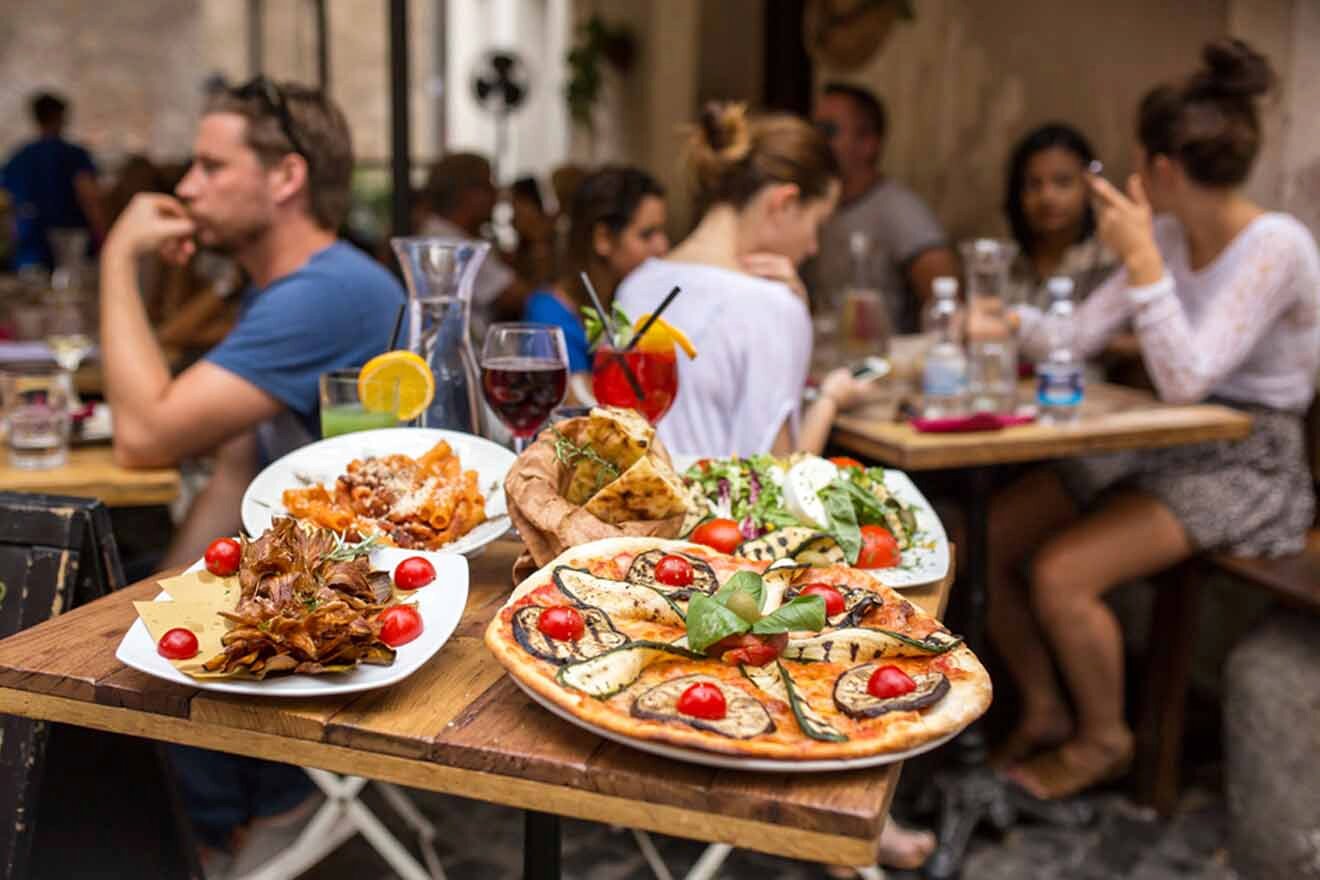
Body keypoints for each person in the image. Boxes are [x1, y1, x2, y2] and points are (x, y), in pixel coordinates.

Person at [983, 39, 1319, 800]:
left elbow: (1185, 375)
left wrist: (1139, 261)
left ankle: (1105, 740)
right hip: (1166, 441)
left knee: (1060, 575)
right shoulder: (1165, 235)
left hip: (1250, 459)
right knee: (988, 537)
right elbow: (1073, 338)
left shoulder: (1278, 247)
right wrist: (1002, 319)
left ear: (1162, 168)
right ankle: (1043, 704)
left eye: (1138, 158)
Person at [97, 75, 406, 870]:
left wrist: (115, 255)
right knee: (109, 607)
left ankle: (257, 805)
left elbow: (143, 436)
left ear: (287, 177)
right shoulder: (294, 289)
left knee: (79, 614)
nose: (185, 187)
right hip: (307, 570)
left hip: (356, 596)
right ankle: (230, 814)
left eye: (210, 166)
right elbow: (237, 465)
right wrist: (161, 594)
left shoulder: (325, 293)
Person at [804, 82, 957, 333]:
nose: (817, 142)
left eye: (828, 131)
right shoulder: (813, 208)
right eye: (814, 130)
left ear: (868, 143)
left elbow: (947, 302)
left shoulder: (901, 211)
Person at [522, 165, 669, 376]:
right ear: (603, 238)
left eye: (662, 231)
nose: (662, 246)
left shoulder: (638, 305)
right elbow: (569, 400)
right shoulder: (548, 317)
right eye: (647, 234)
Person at [1003, 123, 1118, 309]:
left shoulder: (1110, 261)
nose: (1047, 197)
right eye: (1034, 184)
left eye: (1063, 182)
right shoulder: (1005, 263)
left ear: (1090, 186)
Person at [418, 152, 524, 335]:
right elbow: (519, 297)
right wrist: (539, 241)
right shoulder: (453, 245)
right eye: (489, 185)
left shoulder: (440, 233)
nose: (497, 195)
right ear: (468, 194)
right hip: (464, 357)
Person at [1, 91, 108, 269]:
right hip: (70, 244)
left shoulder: (19, 156)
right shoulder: (73, 155)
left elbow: (8, 202)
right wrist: (104, 235)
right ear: (60, 117)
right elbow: (89, 197)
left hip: (29, 246)